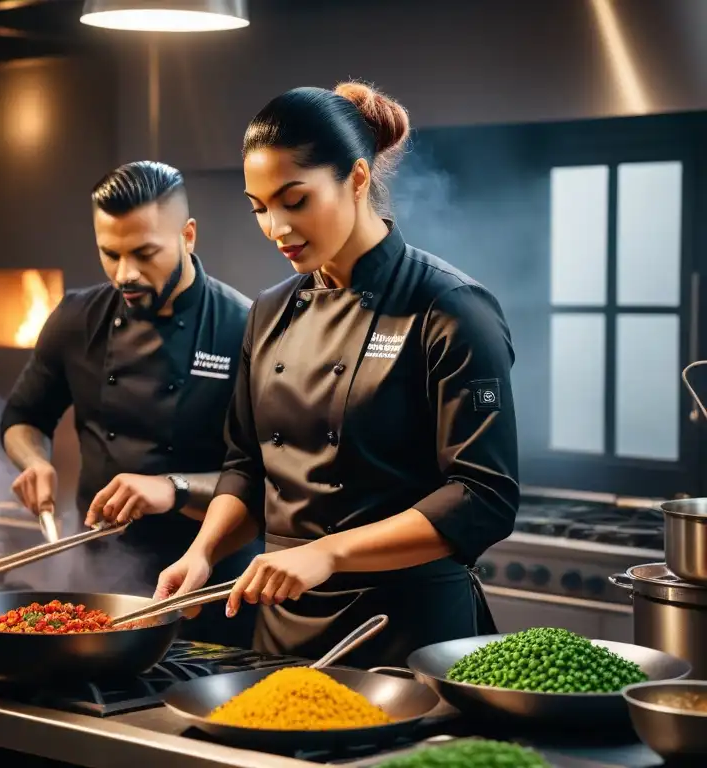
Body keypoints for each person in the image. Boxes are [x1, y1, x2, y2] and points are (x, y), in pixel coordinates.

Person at [153, 83, 519, 667]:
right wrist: (203, 552)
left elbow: (483, 497)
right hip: (282, 631)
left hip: (409, 632)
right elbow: (248, 465)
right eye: (259, 207)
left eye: (295, 200)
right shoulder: (270, 311)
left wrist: (329, 553)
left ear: (355, 178)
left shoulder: (450, 307)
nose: (275, 227)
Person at [0, 160, 263, 648]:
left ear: (188, 236)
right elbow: (22, 417)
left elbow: (267, 480)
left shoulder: (245, 326)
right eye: (110, 253)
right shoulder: (77, 318)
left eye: (145, 253)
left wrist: (174, 487)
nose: (126, 274)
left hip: (210, 587)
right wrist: (33, 459)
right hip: (100, 579)